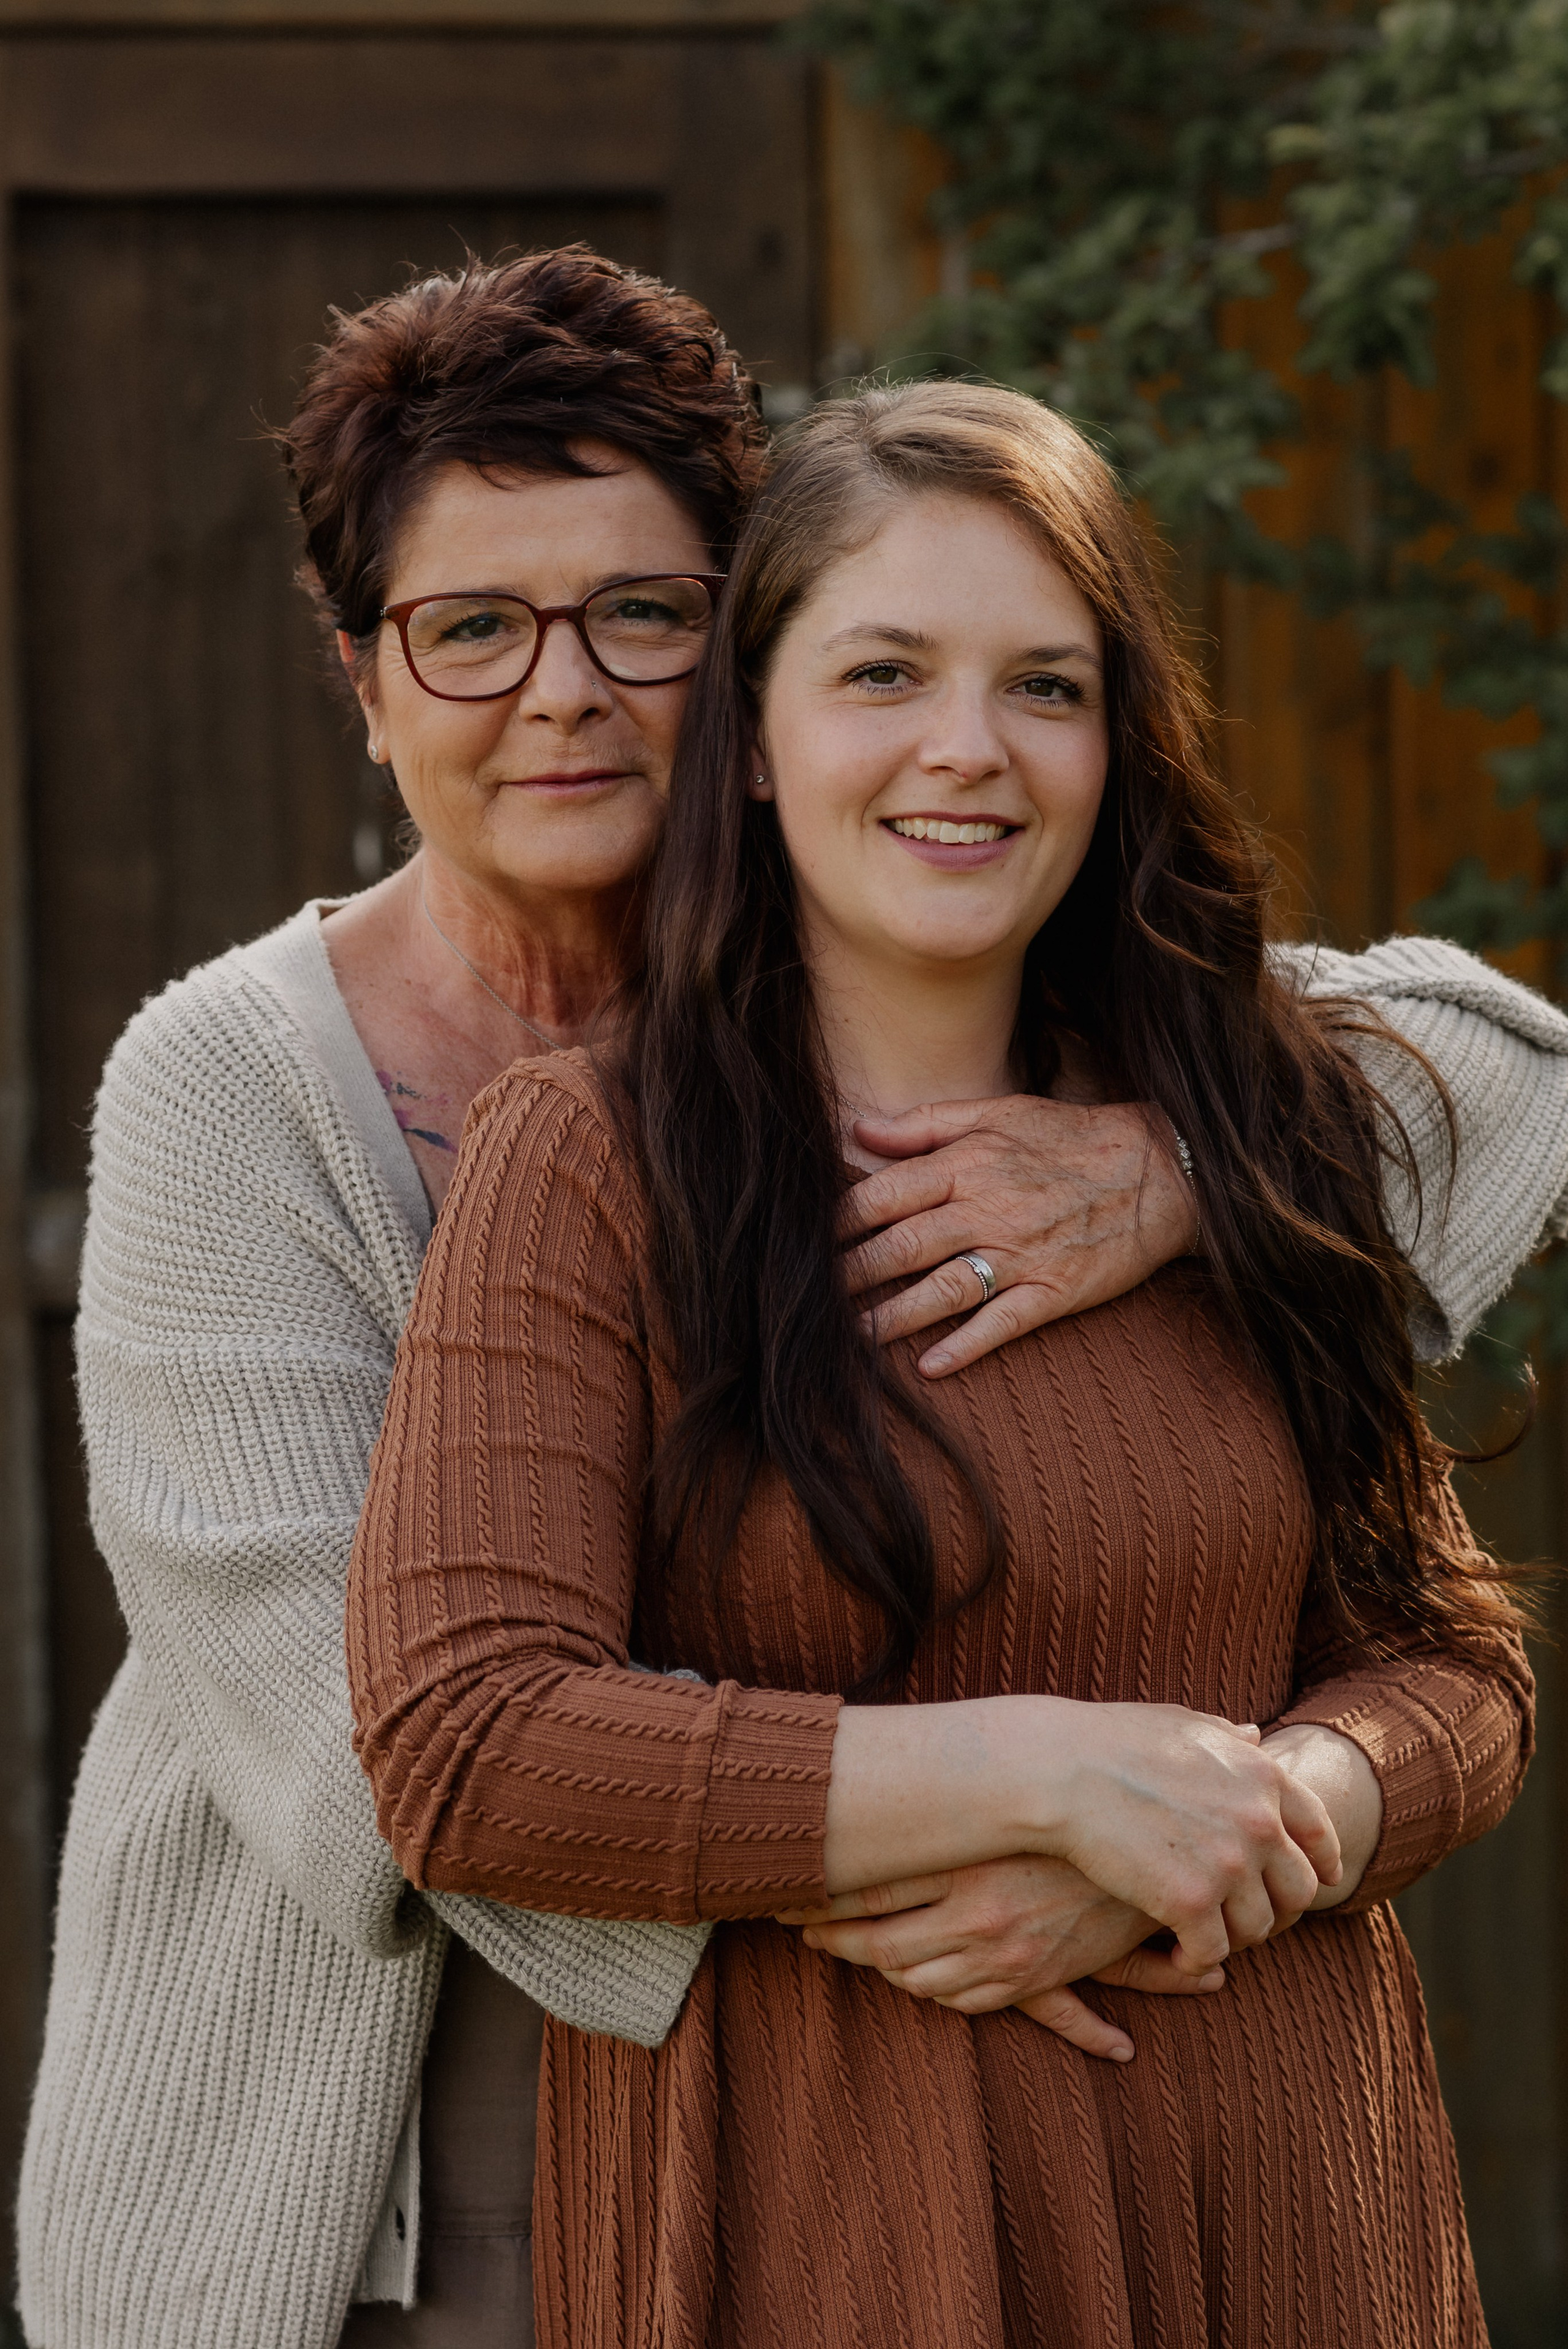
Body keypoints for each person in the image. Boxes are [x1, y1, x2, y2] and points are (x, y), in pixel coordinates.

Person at [17, 251, 1567, 2349]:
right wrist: (1015, 1840)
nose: (560, 688)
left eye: (639, 615)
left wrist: (1195, 1170)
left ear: (733, 658)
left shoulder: (958, 973)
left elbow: (1504, 1081)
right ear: (368, 681)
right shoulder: (243, 1092)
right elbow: (384, 1752)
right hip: (388, 2076)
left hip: (1088, 2101)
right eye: (471, 628)